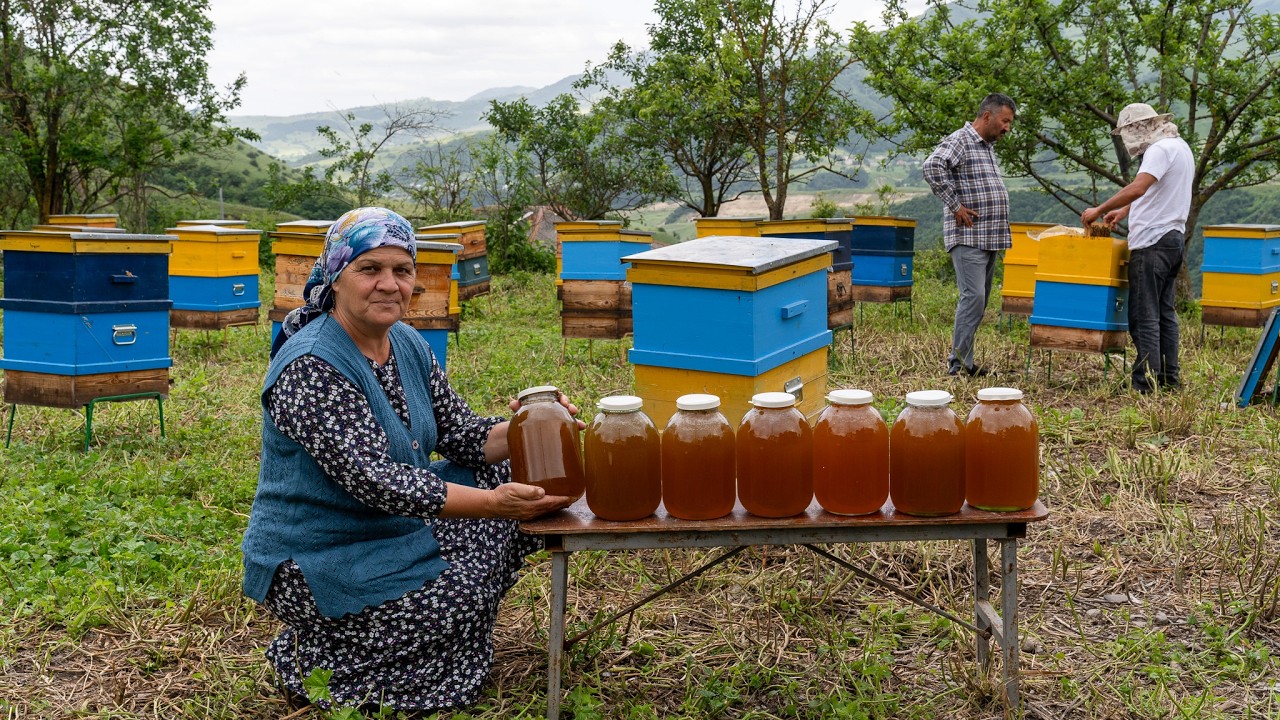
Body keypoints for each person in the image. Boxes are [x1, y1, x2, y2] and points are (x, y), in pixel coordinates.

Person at [242, 207, 577, 713]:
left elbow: (463, 436)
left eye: (401, 271)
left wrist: (538, 425)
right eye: (369, 269)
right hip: (319, 553)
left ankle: (408, 648)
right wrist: (493, 505)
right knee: (459, 595)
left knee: (510, 470)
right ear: (335, 277)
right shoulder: (311, 365)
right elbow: (378, 482)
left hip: (390, 528)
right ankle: (323, 663)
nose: (388, 284)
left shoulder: (407, 343)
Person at [1081, 103, 1192, 394]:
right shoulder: (1179, 146)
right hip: (1173, 239)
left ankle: (1145, 384)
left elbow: (1140, 186)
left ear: (1137, 128)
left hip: (1152, 243)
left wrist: (1101, 209)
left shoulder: (1158, 150)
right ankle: (1169, 379)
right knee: (1164, 313)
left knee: (1144, 316)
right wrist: (1125, 211)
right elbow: (1158, 189)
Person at [922, 92, 1017, 377]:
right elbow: (932, 166)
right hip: (969, 237)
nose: (1006, 128)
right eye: (1004, 121)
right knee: (973, 297)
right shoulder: (961, 140)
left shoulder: (985, 146)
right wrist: (955, 205)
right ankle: (958, 365)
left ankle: (966, 360)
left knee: (979, 300)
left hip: (988, 237)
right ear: (987, 116)